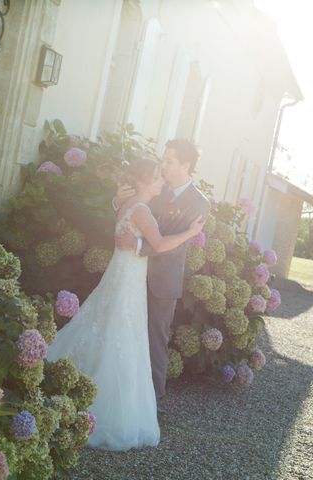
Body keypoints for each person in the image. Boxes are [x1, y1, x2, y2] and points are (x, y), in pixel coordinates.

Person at [47, 157, 204, 451]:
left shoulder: (125, 205)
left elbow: (136, 234)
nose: (161, 182)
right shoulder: (141, 210)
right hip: (128, 280)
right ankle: (105, 409)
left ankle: (68, 382)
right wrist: (191, 233)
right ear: (143, 182)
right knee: (121, 335)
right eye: (156, 178)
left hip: (123, 275)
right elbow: (158, 245)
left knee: (105, 328)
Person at [115, 138, 211, 412]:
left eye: (169, 161)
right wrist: (118, 202)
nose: (163, 165)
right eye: (163, 159)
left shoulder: (200, 203)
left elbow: (172, 242)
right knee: (126, 331)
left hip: (162, 280)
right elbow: (136, 214)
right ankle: (124, 394)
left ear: (186, 164)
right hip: (132, 273)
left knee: (156, 338)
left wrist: (137, 246)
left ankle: (152, 403)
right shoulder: (157, 187)